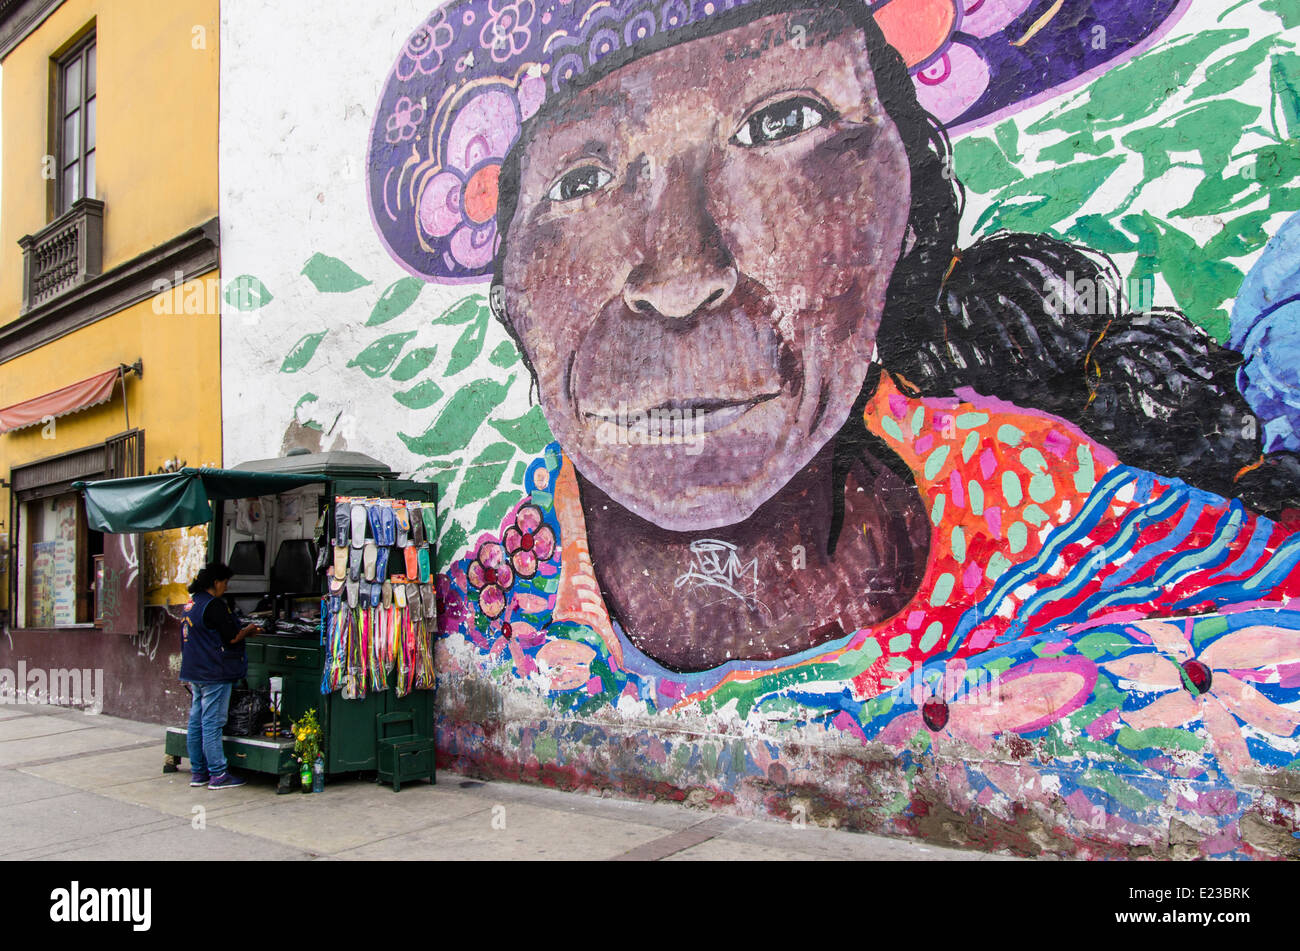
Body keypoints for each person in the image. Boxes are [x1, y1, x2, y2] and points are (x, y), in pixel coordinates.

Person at [368, 0, 1300, 741]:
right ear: (510, 299)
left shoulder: (1160, 582)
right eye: (579, 181)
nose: (683, 270)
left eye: (781, 121)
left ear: (908, 212)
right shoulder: (499, 602)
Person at [179, 563, 260, 789]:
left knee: (196, 722)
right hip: (214, 671)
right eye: (225, 582)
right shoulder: (214, 605)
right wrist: (249, 630)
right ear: (216, 582)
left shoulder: (191, 603)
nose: (226, 587)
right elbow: (232, 637)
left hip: (194, 670)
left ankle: (198, 772)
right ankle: (218, 773)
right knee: (212, 723)